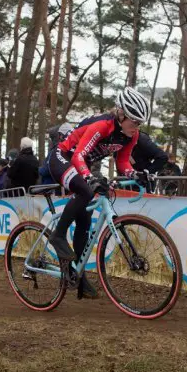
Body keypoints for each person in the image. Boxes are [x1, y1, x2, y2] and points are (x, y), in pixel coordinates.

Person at [47, 86, 150, 299]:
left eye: (140, 123)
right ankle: (57, 236)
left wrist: (136, 174)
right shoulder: (102, 126)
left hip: (81, 162)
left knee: (84, 224)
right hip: (63, 158)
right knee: (86, 190)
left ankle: (79, 276)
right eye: (134, 121)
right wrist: (88, 178)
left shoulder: (131, 135)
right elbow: (78, 157)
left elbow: (122, 162)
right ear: (121, 115)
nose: (137, 127)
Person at [39, 123, 74, 188]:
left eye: (51, 138)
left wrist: (38, 170)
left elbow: (46, 170)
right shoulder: (70, 149)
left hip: (52, 186)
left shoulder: (55, 151)